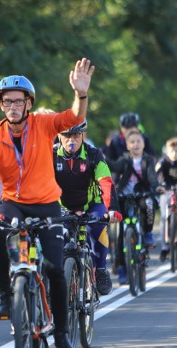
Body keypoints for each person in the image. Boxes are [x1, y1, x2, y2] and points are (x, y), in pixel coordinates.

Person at [0, 58, 94, 348]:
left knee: (54, 268)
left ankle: (62, 333)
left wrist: (80, 93)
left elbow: (74, 116)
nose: (12, 106)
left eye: (18, 101)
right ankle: (4, 295)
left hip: (48, 203)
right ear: (1, 105)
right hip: (14, 203)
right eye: (6, 101)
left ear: (29, 104)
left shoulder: (43, 124)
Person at [53, 119, 120, 295]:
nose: (71, 140)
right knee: (56, 237)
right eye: (66, 136)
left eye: (75, 135)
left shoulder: (93, 154)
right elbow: (37, 181)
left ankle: (101, 269)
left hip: (91, 204)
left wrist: (111, 208)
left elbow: (105, 182)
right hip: (62, 206)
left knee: (97, 227)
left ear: (83, 135)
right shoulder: (50, 155)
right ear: (59, 136)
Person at [109, 129, 163, 284]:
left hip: (142, 194)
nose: (136, 144)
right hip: (124, 197)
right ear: (127, 145)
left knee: (148, 205)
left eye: (138, 141)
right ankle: (122, 268)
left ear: (143, 144)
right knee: (120, 236)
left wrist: (156, 187)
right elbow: (115, 167)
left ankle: (147, 233)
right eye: (132, 142)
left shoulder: (148, 160)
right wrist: (102, 157)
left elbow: (152, 177)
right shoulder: (124, 160)